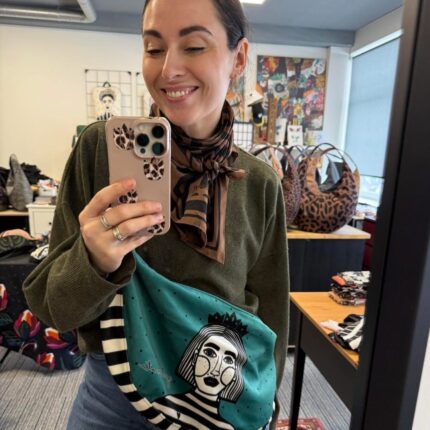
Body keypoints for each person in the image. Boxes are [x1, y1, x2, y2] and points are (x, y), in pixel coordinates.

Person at [23, 0, 289, 429]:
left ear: (238, 58)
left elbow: (270, 320)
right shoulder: (100, 151)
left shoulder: (259, 184)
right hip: (114, 395)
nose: (168, 70)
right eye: (153, 48)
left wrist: (264, 407)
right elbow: (54, 311)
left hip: (215, 402)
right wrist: (94, 260)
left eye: (194, 46)